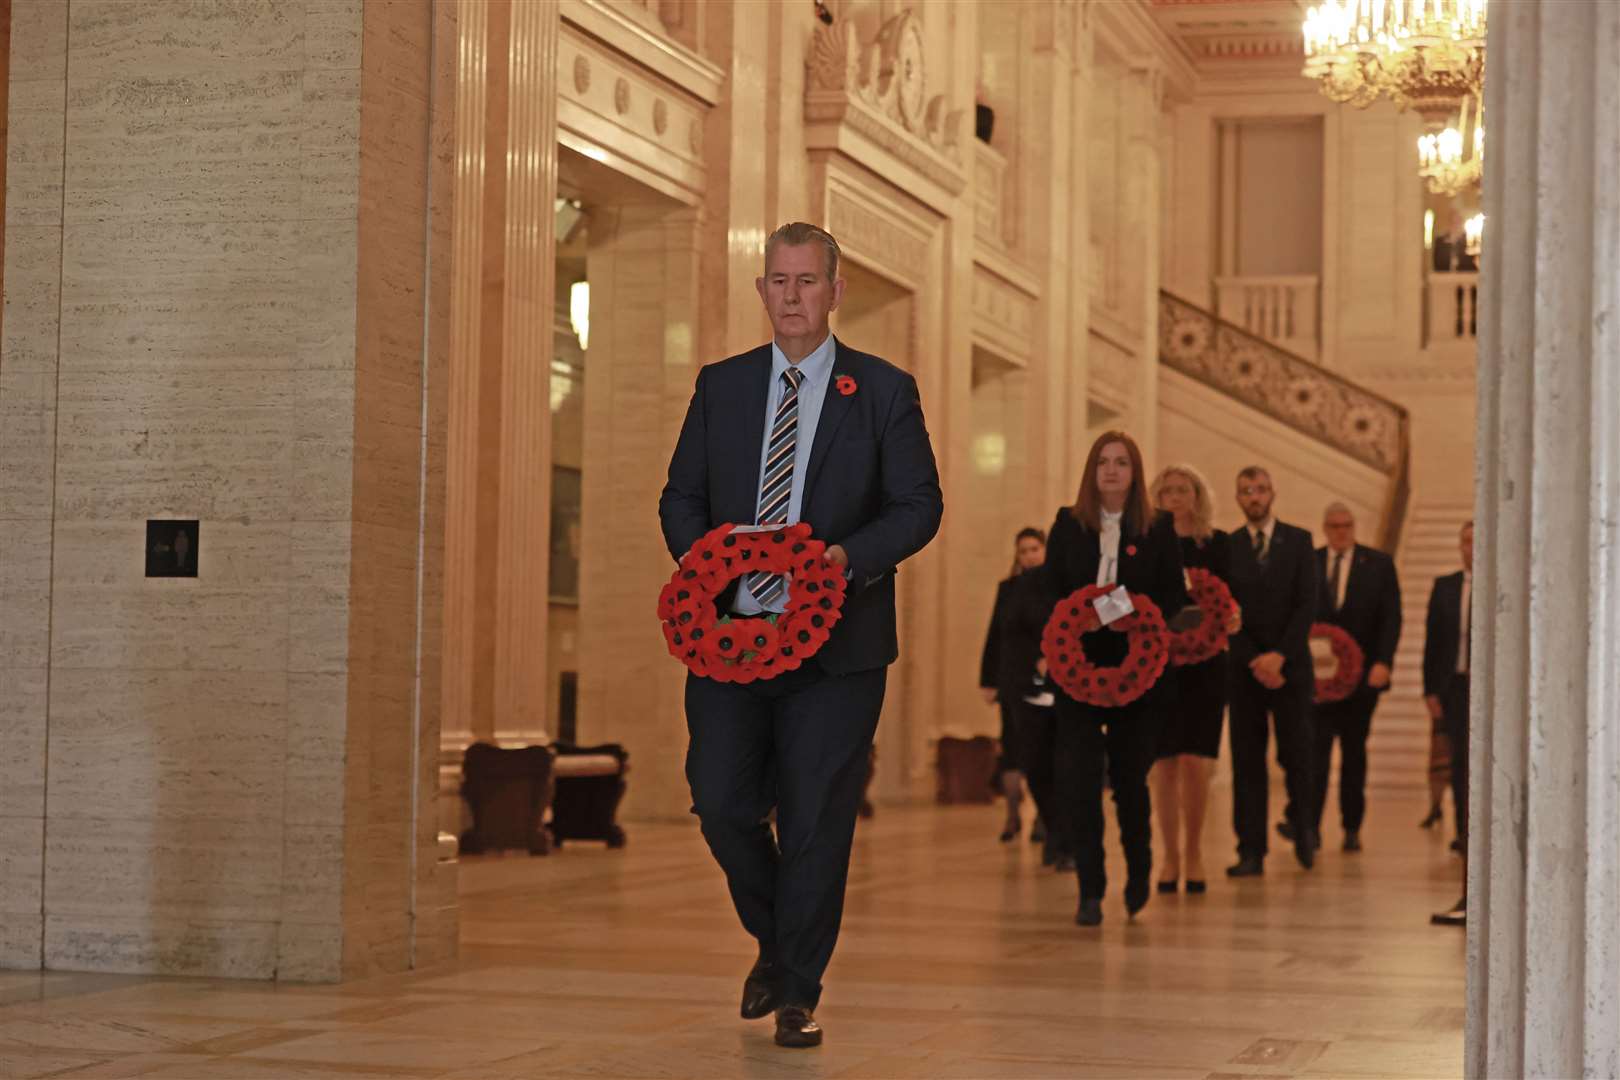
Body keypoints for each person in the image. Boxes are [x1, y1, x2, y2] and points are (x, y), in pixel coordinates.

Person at [658, 222, 943, 1047]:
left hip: (840, 648)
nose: (791, 296)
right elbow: (681, 496)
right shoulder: (722, 387)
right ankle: (777, 943)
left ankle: (798, 991)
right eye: (777, 281)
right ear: (762, 291)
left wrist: (842, 560)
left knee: (817, 816)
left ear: (834, 290)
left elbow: (918, 507)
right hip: (731, 639)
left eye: (806, 282)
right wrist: (706, 562)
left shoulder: (883, 391)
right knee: (719, 800)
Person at [1040, 431, 1190, 926]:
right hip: (1076, 673)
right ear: (1091, 470)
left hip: (1137, 676)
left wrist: (1105, 610)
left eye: (1121, 462)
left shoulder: (1159, 527)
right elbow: (1052, 593)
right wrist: (1076, 626)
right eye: (1103, 461)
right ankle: (1090, 888)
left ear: (1135, 472)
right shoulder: (1067, 525)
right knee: (1081, 781)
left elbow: (1169, 598)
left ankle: (1140, 870)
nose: (1111, 470)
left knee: (1129, 779)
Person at [1225, 466, 1320, 876]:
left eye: (1261, 489)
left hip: (1290, 667)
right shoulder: (1227, 547)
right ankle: (1250, 849)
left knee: (1297, 754)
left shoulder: (1299, 541)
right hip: (1244, 670)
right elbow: (1224, 611)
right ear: (1238, 498)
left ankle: (1303, 830)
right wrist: (1252, 658)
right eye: (1247, 491)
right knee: (1247, 761)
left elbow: (1307, 604)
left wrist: (1280, 656)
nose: (1255, 497)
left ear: (1273, 494)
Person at [1148, 464, 1238, 894]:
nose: (1174, 495)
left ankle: (1195, 852)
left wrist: (1233, 617)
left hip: (1207, 665)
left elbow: (1235, 597)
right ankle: (1168, 855)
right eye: (1167, 489)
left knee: (1194, 761)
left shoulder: (1218, 545)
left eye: (1183, 488)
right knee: (1163, 763)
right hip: (1156, 664)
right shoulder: (1146, 543)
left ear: (1197, 495)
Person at [1296, 503, 1401, 853]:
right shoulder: (1308, 563)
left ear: (1354, 527)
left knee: (1354, 754)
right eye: (1334, 526)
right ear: (1325, 529)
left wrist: (1384, 662)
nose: (1341, 531)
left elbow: (1391, 618)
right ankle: (1310, 828)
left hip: (1362, 680)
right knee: (1316, 754)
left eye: (1346, 525)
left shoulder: (1379, 565)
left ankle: (1351, 826)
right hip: (1318, 683)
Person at [979, 527, 1048, 843]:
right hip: (1011, 676)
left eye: (1035, 548)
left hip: (1043, 679)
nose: (1029, 555)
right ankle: (1011, 817)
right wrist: (988, 679)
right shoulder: (1007, 589)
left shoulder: (1053, 587)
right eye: (1023, 550)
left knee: (1040, 749)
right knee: (1011, 747)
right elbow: (995, 635)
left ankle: (1043, 819)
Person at [1425, 521, 1473, 927]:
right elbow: (1432, 640)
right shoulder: (1445, 586)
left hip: (1489, 688)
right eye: (1466, 541)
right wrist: (1431, 689)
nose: (1471, 548)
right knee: (1459, 767)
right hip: (1454, 686)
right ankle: (1463, 834)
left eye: (1477, 540)